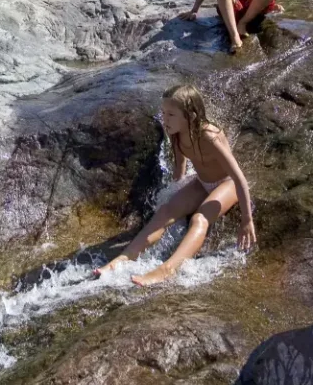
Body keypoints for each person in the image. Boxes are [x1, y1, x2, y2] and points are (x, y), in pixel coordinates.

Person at [94, 84, 257, 286]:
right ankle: (124, 258)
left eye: (171, 114)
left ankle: (167, 269)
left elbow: (239, 177)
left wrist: (246, 220)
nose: (165, 119)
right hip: (201, 182)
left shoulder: (210, 136)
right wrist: (176, 197)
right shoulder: (176, 134)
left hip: (227, 183)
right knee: (166, 211)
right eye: (163, 113)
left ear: (191, 116)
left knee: (199, 218)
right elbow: (180, 165)